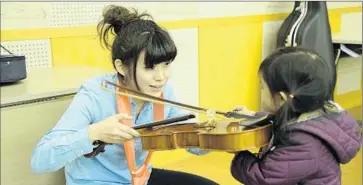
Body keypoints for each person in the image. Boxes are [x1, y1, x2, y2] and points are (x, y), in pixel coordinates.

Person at [30, 5, 219, 185]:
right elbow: (40, 160)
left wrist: (225, 135)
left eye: (166, 64)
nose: (161, 77)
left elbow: (193, 144)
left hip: (138, 178)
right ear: (121, 66)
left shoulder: (164, 91)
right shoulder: (94, 94)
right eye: (149, 67)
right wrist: (92, 133)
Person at [230, 47, 362, 185]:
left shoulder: (303, 143)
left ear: (281, 98)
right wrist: (251, 115)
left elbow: (264, 178)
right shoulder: (314, 116)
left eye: (262, 86)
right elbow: (279, 119)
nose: (261, 91)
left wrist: (239, 154)